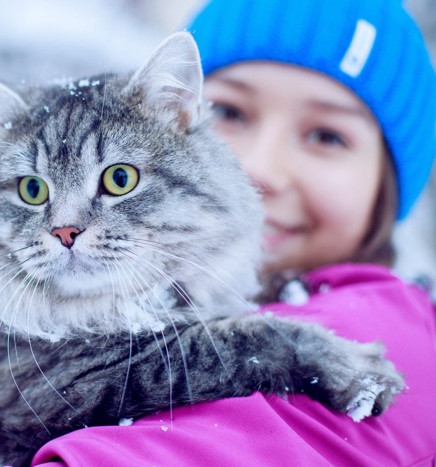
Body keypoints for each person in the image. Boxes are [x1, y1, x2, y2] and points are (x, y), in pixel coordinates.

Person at [30, 0, 436, 464]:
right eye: (229, 112)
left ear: (385, 187)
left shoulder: (379, 330)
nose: (261, 169)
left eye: (326, 136)